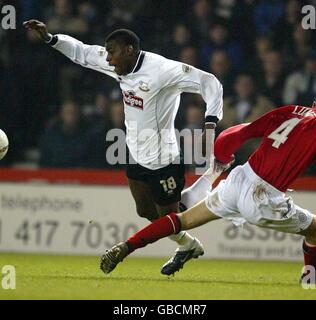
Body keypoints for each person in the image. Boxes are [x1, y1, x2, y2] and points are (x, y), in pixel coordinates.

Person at [23, 20, 224, 275]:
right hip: (137, 156)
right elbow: (83, 53)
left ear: (129, 50)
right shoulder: (119, 65)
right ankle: (189, 245)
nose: (107, 59)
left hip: (165, 160)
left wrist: (210, 121)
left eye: (112, 52)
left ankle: (210, 179)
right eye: (106, 52)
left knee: (172, 219)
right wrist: (52, 38)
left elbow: (210, 82)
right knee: (145, 211)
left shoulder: (162, 70)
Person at [100, 93, 316, 285]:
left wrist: (222, 154)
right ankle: (313, 275)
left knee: (181, 220)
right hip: (263, 196)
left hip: (240, 178)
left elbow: (244, 130)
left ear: (314, 103)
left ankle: (127, 246)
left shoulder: (292, 112)